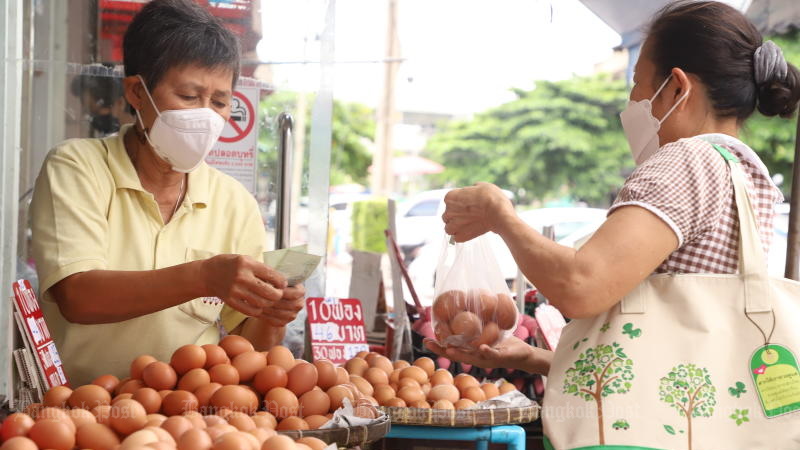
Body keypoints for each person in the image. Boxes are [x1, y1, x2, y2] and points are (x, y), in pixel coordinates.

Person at [425, 1, 799, 377]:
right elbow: (655, 367)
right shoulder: (746, 173)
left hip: (651, 436)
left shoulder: (686, 161)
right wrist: (531, 359)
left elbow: (581, 285)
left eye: (637, 83)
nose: (633, 100)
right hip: (685, 418)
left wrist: (500, 216)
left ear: (677, 88)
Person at [30, 0, 303, 386]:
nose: (206, 116)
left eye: (220, 102)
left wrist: (272, 315)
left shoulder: (234, 203)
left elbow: (246, 349)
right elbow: (78, 296)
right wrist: (205, 277)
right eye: (189, 97)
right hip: (82, 410)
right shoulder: (77, 167)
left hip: (188, 415)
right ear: (137, 92)